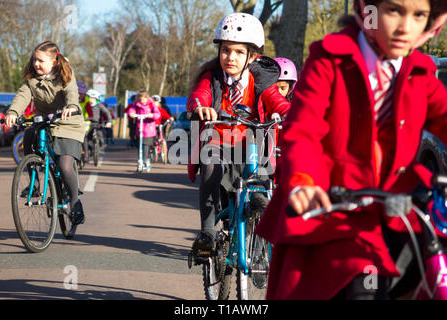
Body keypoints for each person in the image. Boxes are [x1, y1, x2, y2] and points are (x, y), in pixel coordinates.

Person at [255, 0, 447, 300]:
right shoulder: (331, 59)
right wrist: (303, 181)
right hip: (332, 213)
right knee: (357, 285)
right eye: (394, 10)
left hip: (396, 217)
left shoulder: (419, 72)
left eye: (419, 15)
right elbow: (303, 129)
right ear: (368, 9)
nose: (405, 27)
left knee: (431, 276)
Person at [186, 13, 291, 255]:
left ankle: (259, 222)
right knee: (211, 165)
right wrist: (200, 106)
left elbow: (277, 102)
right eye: (225, 50)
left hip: (251, 143)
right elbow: (199, 95)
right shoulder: (211, 78)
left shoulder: (260, 80)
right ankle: (207, 232)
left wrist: (296, 114)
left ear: (252, 56)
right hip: (217, 141)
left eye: (238, 52)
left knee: (262, 174)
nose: (230, 57)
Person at [5, 41, 86, 225]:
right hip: (45, 121)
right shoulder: (32, 79)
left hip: (68, 122)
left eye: (40, 61)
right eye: (34, 60)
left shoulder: (65, 74)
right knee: (29, 135)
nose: (36, 64)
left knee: (65, 165)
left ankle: (75, 201)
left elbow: (72, 93)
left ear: (54, 62)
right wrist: (13, 112)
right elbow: (22, 96)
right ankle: (34, 185)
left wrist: (72, 106)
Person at [126, 90, 161, 172]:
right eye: (140, 99)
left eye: (143, 99)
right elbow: (131, 110)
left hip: (149, 130)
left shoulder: (152, 105)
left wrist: (151, 115)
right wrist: (131, 114)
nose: (142, 101)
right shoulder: (136, 105)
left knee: (146, 146)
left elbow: (158, 114)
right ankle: (140, 160)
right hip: (140, 129)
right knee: (139, 146)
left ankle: (145, 160)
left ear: (147, 98)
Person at [82, 89, 112, 161]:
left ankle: (101, 143)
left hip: (97, 124)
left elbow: (107, 113)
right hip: (88, 124)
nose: (88, 99)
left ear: (95, 98)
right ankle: (87, 154)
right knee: (86, 138)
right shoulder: (87, 105)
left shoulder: (99, 105)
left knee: (99, 133)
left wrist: (109, 121)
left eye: (89, 97)